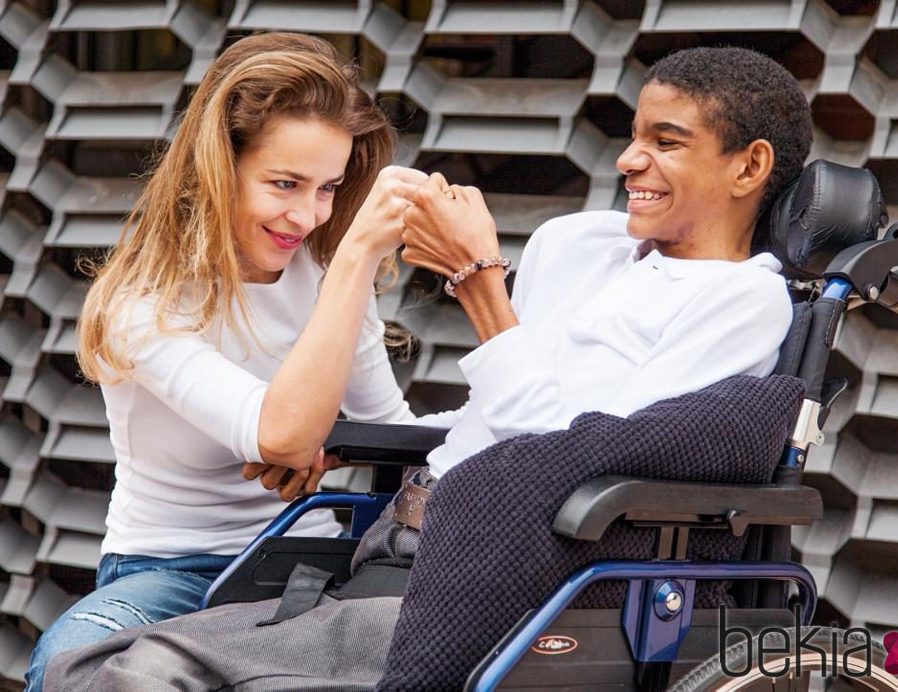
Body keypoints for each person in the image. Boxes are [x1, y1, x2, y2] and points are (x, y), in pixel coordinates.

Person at [42, 45, 814, 690]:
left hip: (507, 571)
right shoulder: (577, 244)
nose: (627, 159)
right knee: (105, 666)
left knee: (144, 674)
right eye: (634, 133)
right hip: (368, 544)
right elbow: (481, 423)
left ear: (749, 168)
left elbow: (569, 461)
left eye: (666, 141)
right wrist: (336, 442)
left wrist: (481, 286)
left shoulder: (741, 302)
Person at [25, 32, 446, 691]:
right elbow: (278, 432)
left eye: (330, 188)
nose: (308, 216)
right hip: (171, 573)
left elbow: (389, 427)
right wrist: (360, 258)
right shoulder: (143, 306)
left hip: (309, 561)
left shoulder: (329, 274)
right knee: (69, 664)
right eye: (284, 184)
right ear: (220, 166)